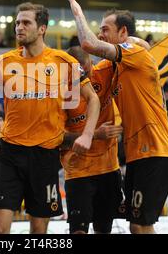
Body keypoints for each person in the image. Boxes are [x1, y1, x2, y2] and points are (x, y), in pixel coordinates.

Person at [0, 2, 100, 234]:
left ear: (42, 28)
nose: (19, 27)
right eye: (17, 22)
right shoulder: (4, 62)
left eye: (26, 22)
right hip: (10, 153)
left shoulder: (63, 61)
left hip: (45, 155)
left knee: (39, 231)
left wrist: (88, 134)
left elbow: (93, 99)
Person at [66, 0, 168, 234]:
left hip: (155, 152)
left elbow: (90, 45)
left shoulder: (135, 54)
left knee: (139, 225)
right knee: (138, 225)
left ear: (123, 33)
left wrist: (78, 13)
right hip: (136, 156)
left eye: (105, 28)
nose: (101, 33)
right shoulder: (115, 67)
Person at [60, 46, 124, 234]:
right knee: (78, 231)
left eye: (86, 71)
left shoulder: (105, 71)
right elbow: (57, 138)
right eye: (78, 74)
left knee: (104, 229)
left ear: (91, 63)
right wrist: (95, 134)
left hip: (109, 168)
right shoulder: (60, 93)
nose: (84, 79)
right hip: (78, 171)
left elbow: (133, 55)